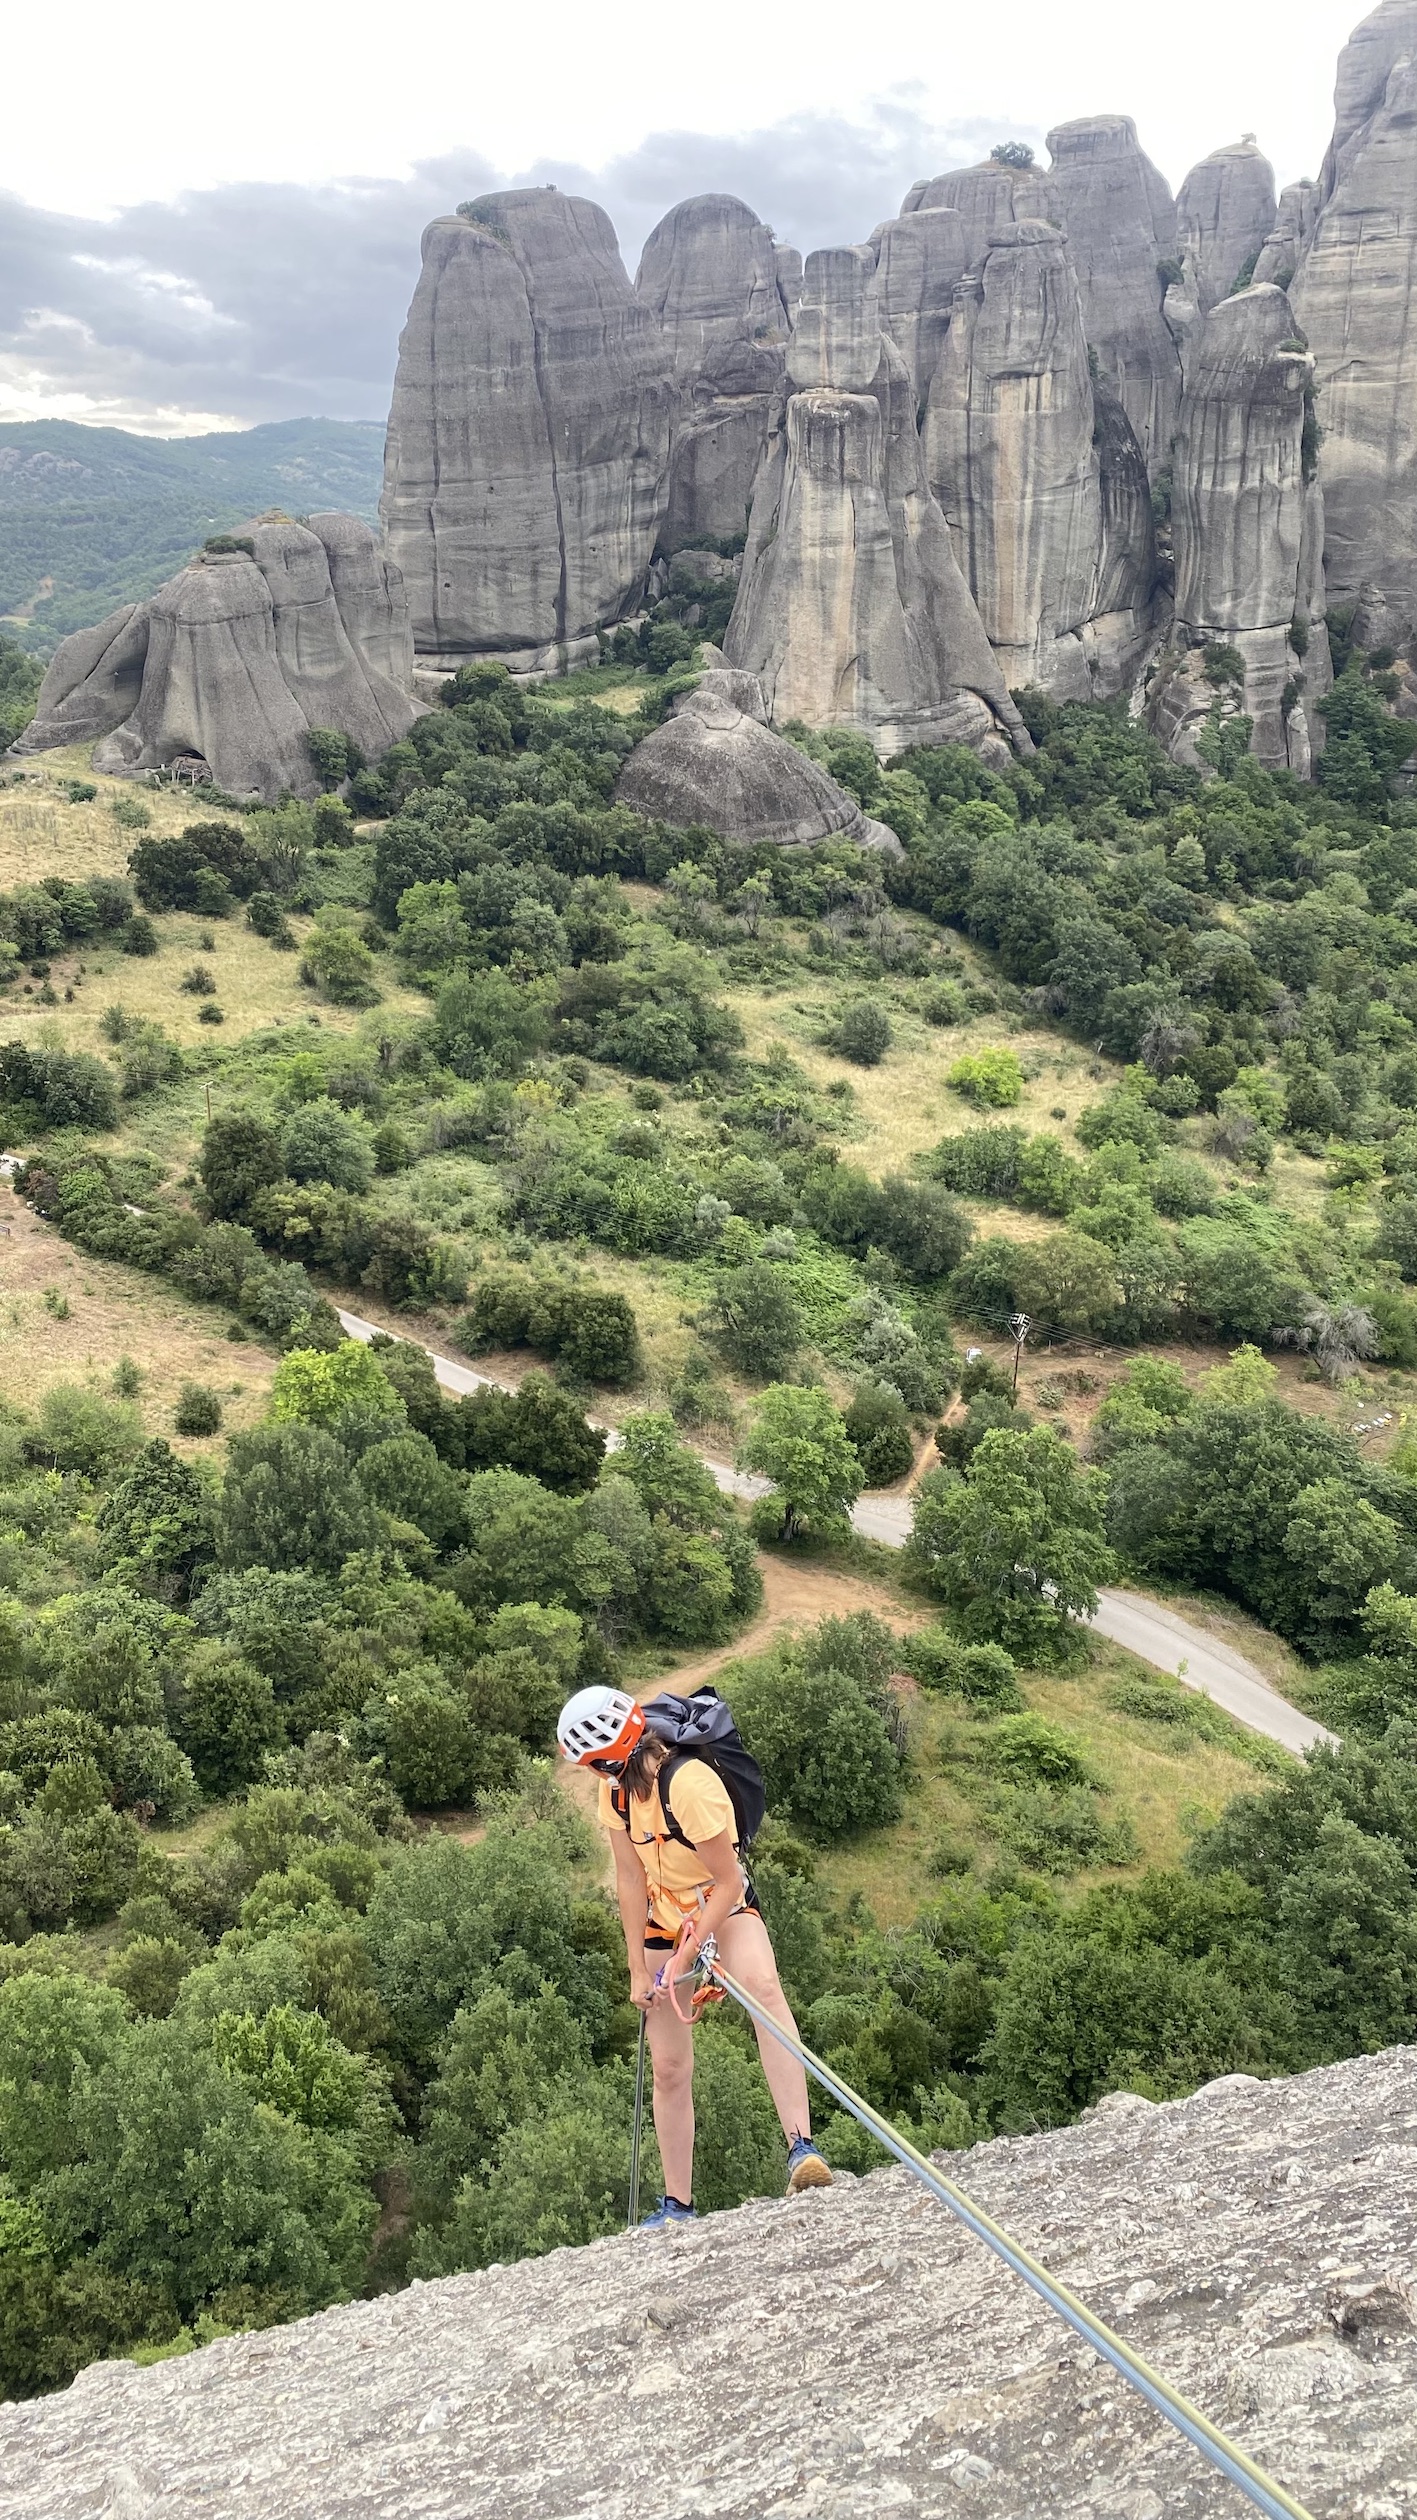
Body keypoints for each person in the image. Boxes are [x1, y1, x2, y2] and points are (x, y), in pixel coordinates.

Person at [558, 1683, 833, 2230]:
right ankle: (677, 2205)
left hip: (719, 1905)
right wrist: (638, 1967)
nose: (591, 1774)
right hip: (663, 1918)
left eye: (589, 1763)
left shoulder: (691, 1785)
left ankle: (802, 2149)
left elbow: (730, 1882)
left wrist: (682, 1958)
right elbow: (630, 1877)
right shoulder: (616, 1794)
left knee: (763, 1989)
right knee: (668, 2065)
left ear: (605, 1758)